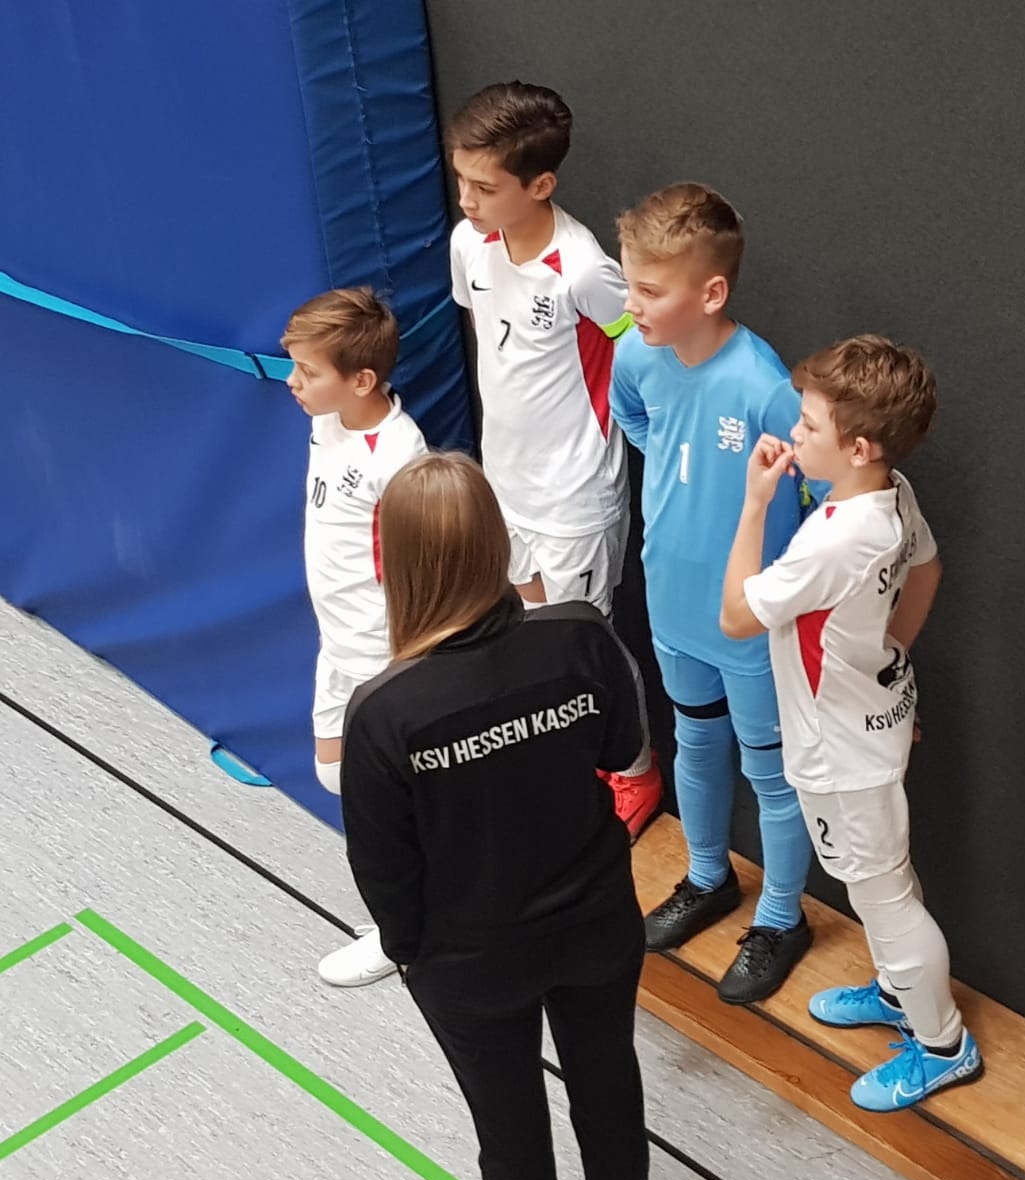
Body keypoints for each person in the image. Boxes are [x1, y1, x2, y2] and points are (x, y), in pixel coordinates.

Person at [339, 451, 651, 1180]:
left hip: (470, 962)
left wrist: (416, 956)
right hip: (597, 924)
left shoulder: (383, 711)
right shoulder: (580, 636)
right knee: (610, 1095)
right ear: (496, 538)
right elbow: (621, 750)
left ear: (398, 563)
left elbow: (385, 873)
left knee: (509, 1139)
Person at [719, 335, 983, 1110]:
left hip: (841, 752)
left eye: (808, 426)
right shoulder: (891, 492)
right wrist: (886, 656)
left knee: (884, 895)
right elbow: (928, 568)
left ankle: (943, 1045)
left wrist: (755, 503)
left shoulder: (836, 539)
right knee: (882, 883)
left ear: (859, 447)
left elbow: (736, 615)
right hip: (866, 721)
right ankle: (902, 993)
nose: (794, 435)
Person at [610, 182, 815, 1002]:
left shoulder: (765, 386)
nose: (632, 305)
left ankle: (781, 918)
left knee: (771, 771)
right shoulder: (637, 355)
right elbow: (638, 421)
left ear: (711, 292)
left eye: (649, 290)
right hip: (673, 597)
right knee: (694, 741)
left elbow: (820, 497)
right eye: (629, 284)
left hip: (753, 620)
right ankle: (706, 877)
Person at [445, 80, 660, 837]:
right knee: (533, 640)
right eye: (460, 180)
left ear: (540, 184)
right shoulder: (468, 243)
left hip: (575, 498)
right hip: (508, 488)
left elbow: (643, 353)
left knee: (583, 649)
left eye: (484, 187)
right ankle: (572, 765)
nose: (466, 200)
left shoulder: (584, 269)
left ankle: (635, 772)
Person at [281, 287, 427, 988]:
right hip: (336, 647)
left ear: (362, 380)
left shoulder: (399, 458)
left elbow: (420, 571)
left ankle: (404, 933)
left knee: (380, 806)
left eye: (307, 372)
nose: (293, 381)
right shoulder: (327, 421)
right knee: (332, 774)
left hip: (380, 661)